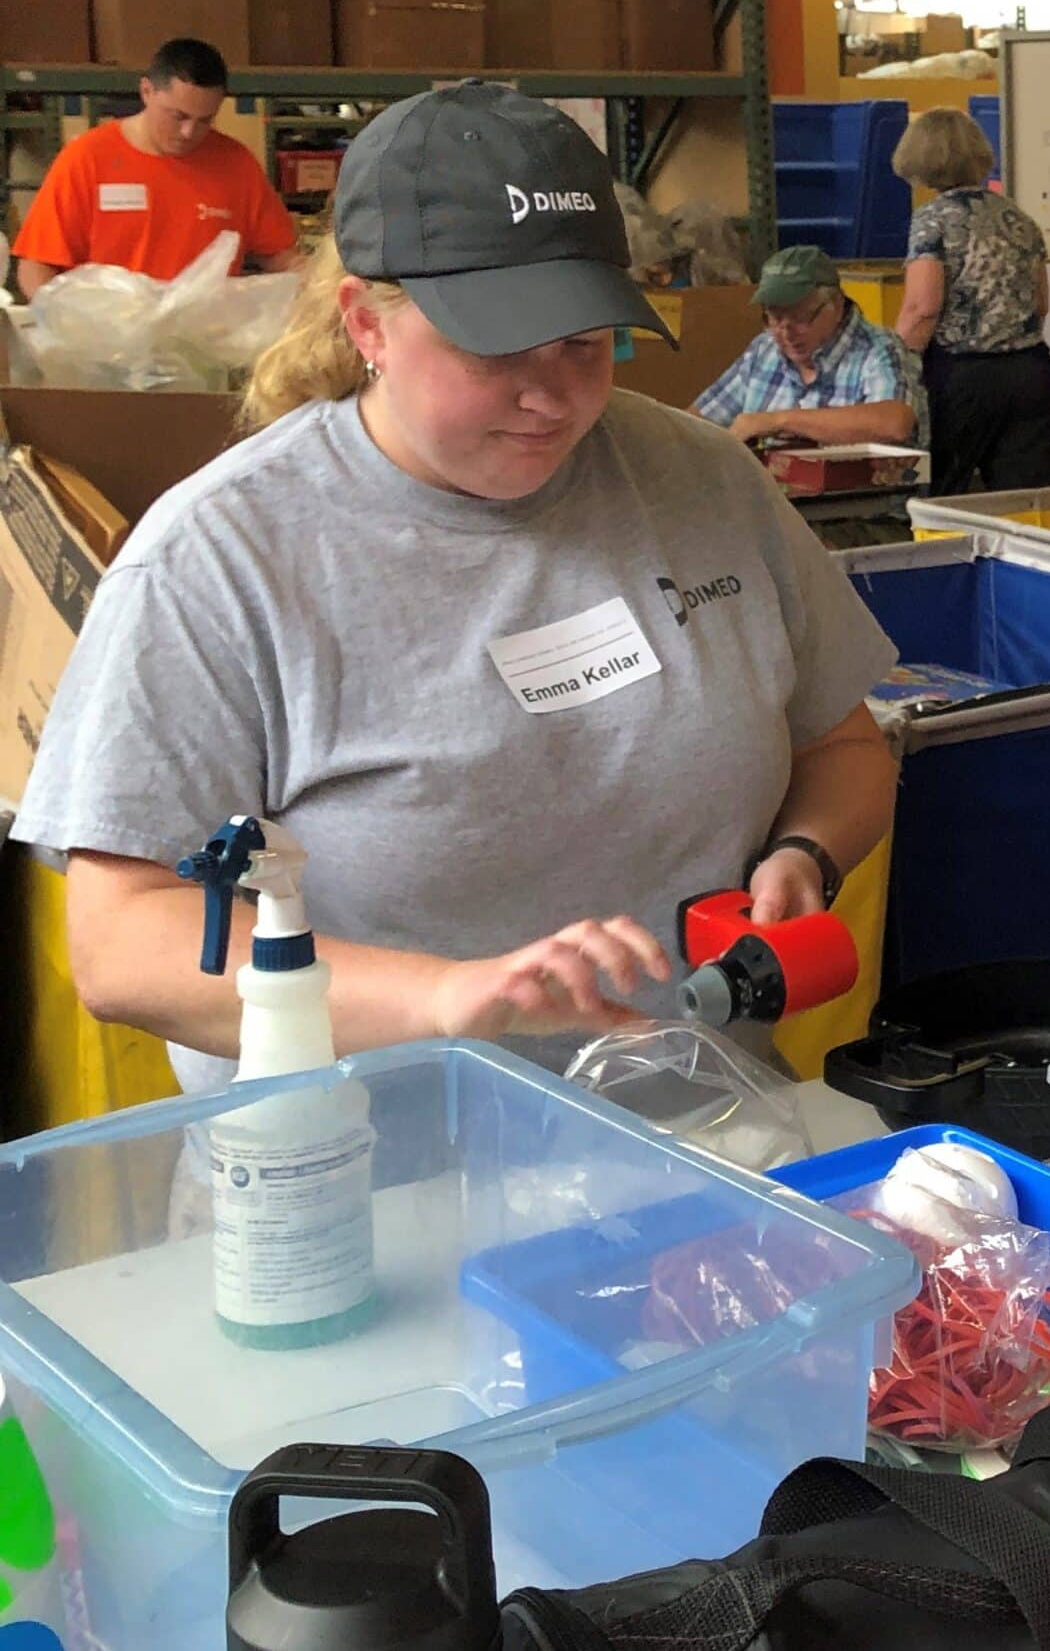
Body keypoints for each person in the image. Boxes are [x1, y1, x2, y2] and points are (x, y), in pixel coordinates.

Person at [12, 81, 901, 1085]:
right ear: (367, 325)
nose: (551, 395)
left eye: (582, 341)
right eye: (495, 349)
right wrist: (441, 998)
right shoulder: (222, 561)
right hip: (368, 1180)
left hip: (701, 1137)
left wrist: (806, 853)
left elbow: (844, 742)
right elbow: (123, 942)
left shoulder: (702, 483)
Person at [12, 37, 300, 295]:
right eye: (178, 116)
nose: (189, 132)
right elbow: (36, 265)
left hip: (202, 343)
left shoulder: (236, 164)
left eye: (205, 120)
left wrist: (320, 291)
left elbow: (280, 256)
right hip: (108, 343)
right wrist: (68, 328)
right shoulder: (87, 158)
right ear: (146, 91)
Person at [891, 108, 1050, 495]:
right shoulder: (1018, 217)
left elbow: (923, 308)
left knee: (943, 494)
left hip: (963, 378)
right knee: (1029, 500)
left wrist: (893, 364)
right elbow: (1041, 304)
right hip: (1029, 372)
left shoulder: (933, 221)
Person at [692, 243, 927, 454]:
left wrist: (779, 420)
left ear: (836, 304)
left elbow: (894, 423)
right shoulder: (764, 350)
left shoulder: (880, 349)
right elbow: (698, 421)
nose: (786, 331)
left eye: (800, 317)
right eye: (774, 317)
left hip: (857, 500)